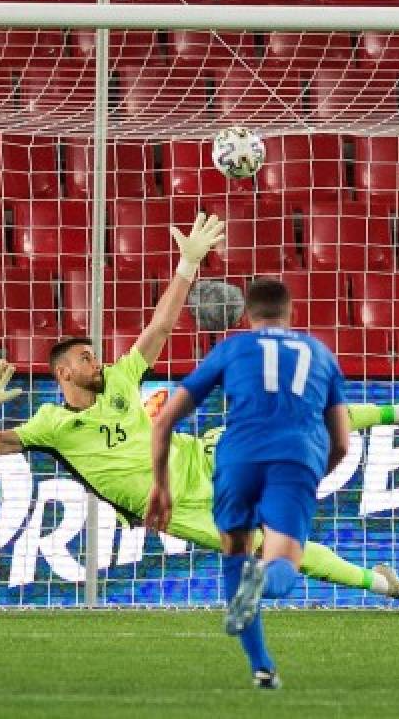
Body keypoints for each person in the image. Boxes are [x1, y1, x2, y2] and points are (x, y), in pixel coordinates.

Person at [0, 213, 399, 609]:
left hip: (203, 457)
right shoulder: (52, 425)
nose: (95, 360)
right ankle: (386, 585)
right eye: (84, 357)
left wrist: (187, 264)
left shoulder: (119, 377)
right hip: (176, 508)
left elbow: (159, 325)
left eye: (94, 353)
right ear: (63, 375)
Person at [147, 278, 349, 690]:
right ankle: (263, 579)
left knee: (235, 552)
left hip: (237, 456)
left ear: (247, 313)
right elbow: (342, 443)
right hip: (296, 457)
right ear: (290, 311)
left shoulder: (231, 349)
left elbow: (165, 420)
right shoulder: (321, 354)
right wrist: (312, 476)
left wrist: (161, 485)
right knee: (282, 565)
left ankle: (262, 667)